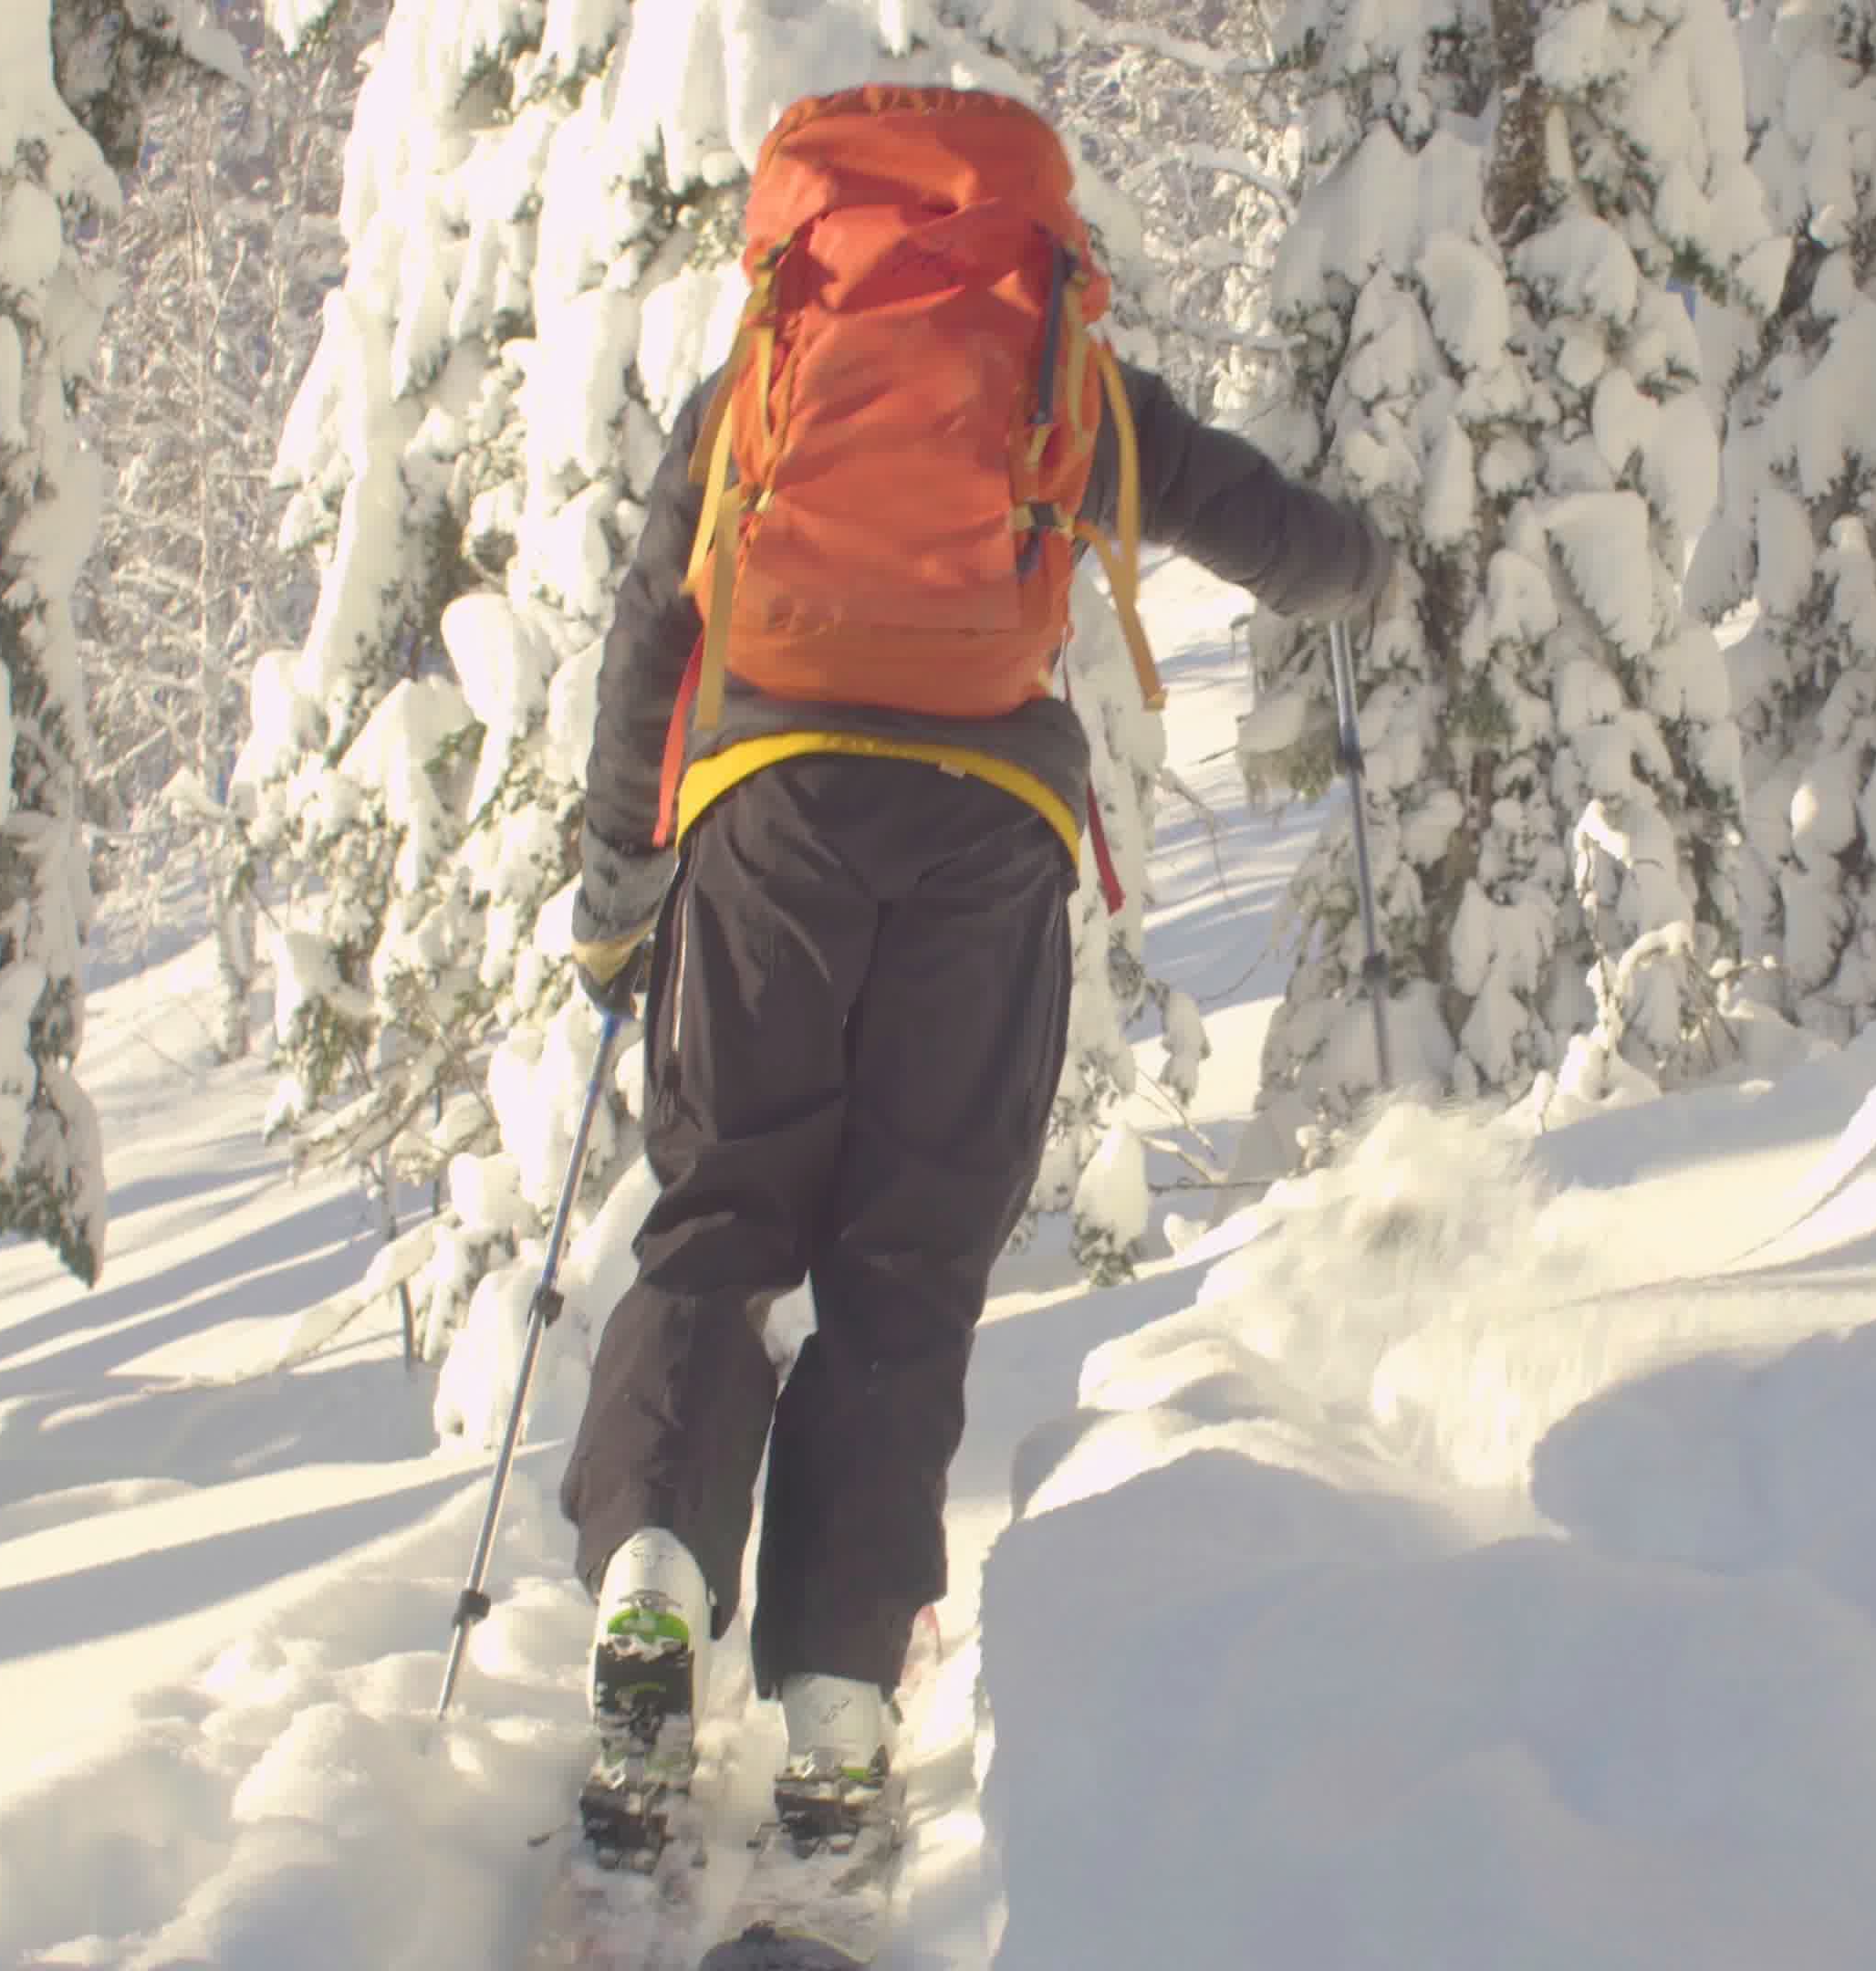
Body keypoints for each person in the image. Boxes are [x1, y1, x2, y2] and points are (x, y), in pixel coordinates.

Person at [551, 83, 1390, 1867]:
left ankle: (648, 1583)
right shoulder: (1053, 376)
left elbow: (652, 625)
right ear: (1031, 235)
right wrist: (1377, 571)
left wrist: (622, 880)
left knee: (721, 1221)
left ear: (800, 237)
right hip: (987, 834)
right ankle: (839, 1714)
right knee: (903, 1273)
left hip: (766, 817)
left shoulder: (761, 384)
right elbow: (1269, 530)